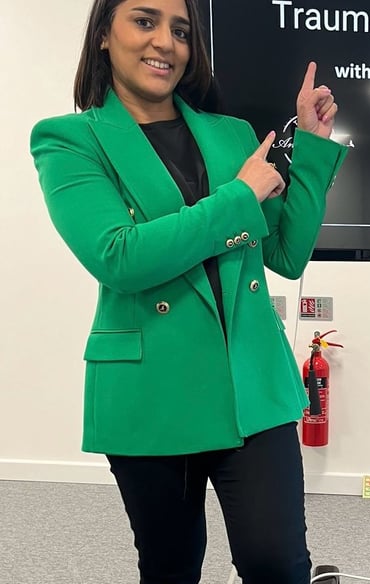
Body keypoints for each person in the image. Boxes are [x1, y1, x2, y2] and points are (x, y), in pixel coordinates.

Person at [29, 0, 347, 582]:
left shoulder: (232, 136)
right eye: (144, 21)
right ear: (104, 34)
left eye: (180, 30)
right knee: (172, 565)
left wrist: (314, 149)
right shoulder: (69, 140)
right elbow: (119, 256)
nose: (166, 43)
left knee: (277, 562)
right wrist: (239, 198)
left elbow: (285, 254)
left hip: (254, 384)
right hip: (153, 388)